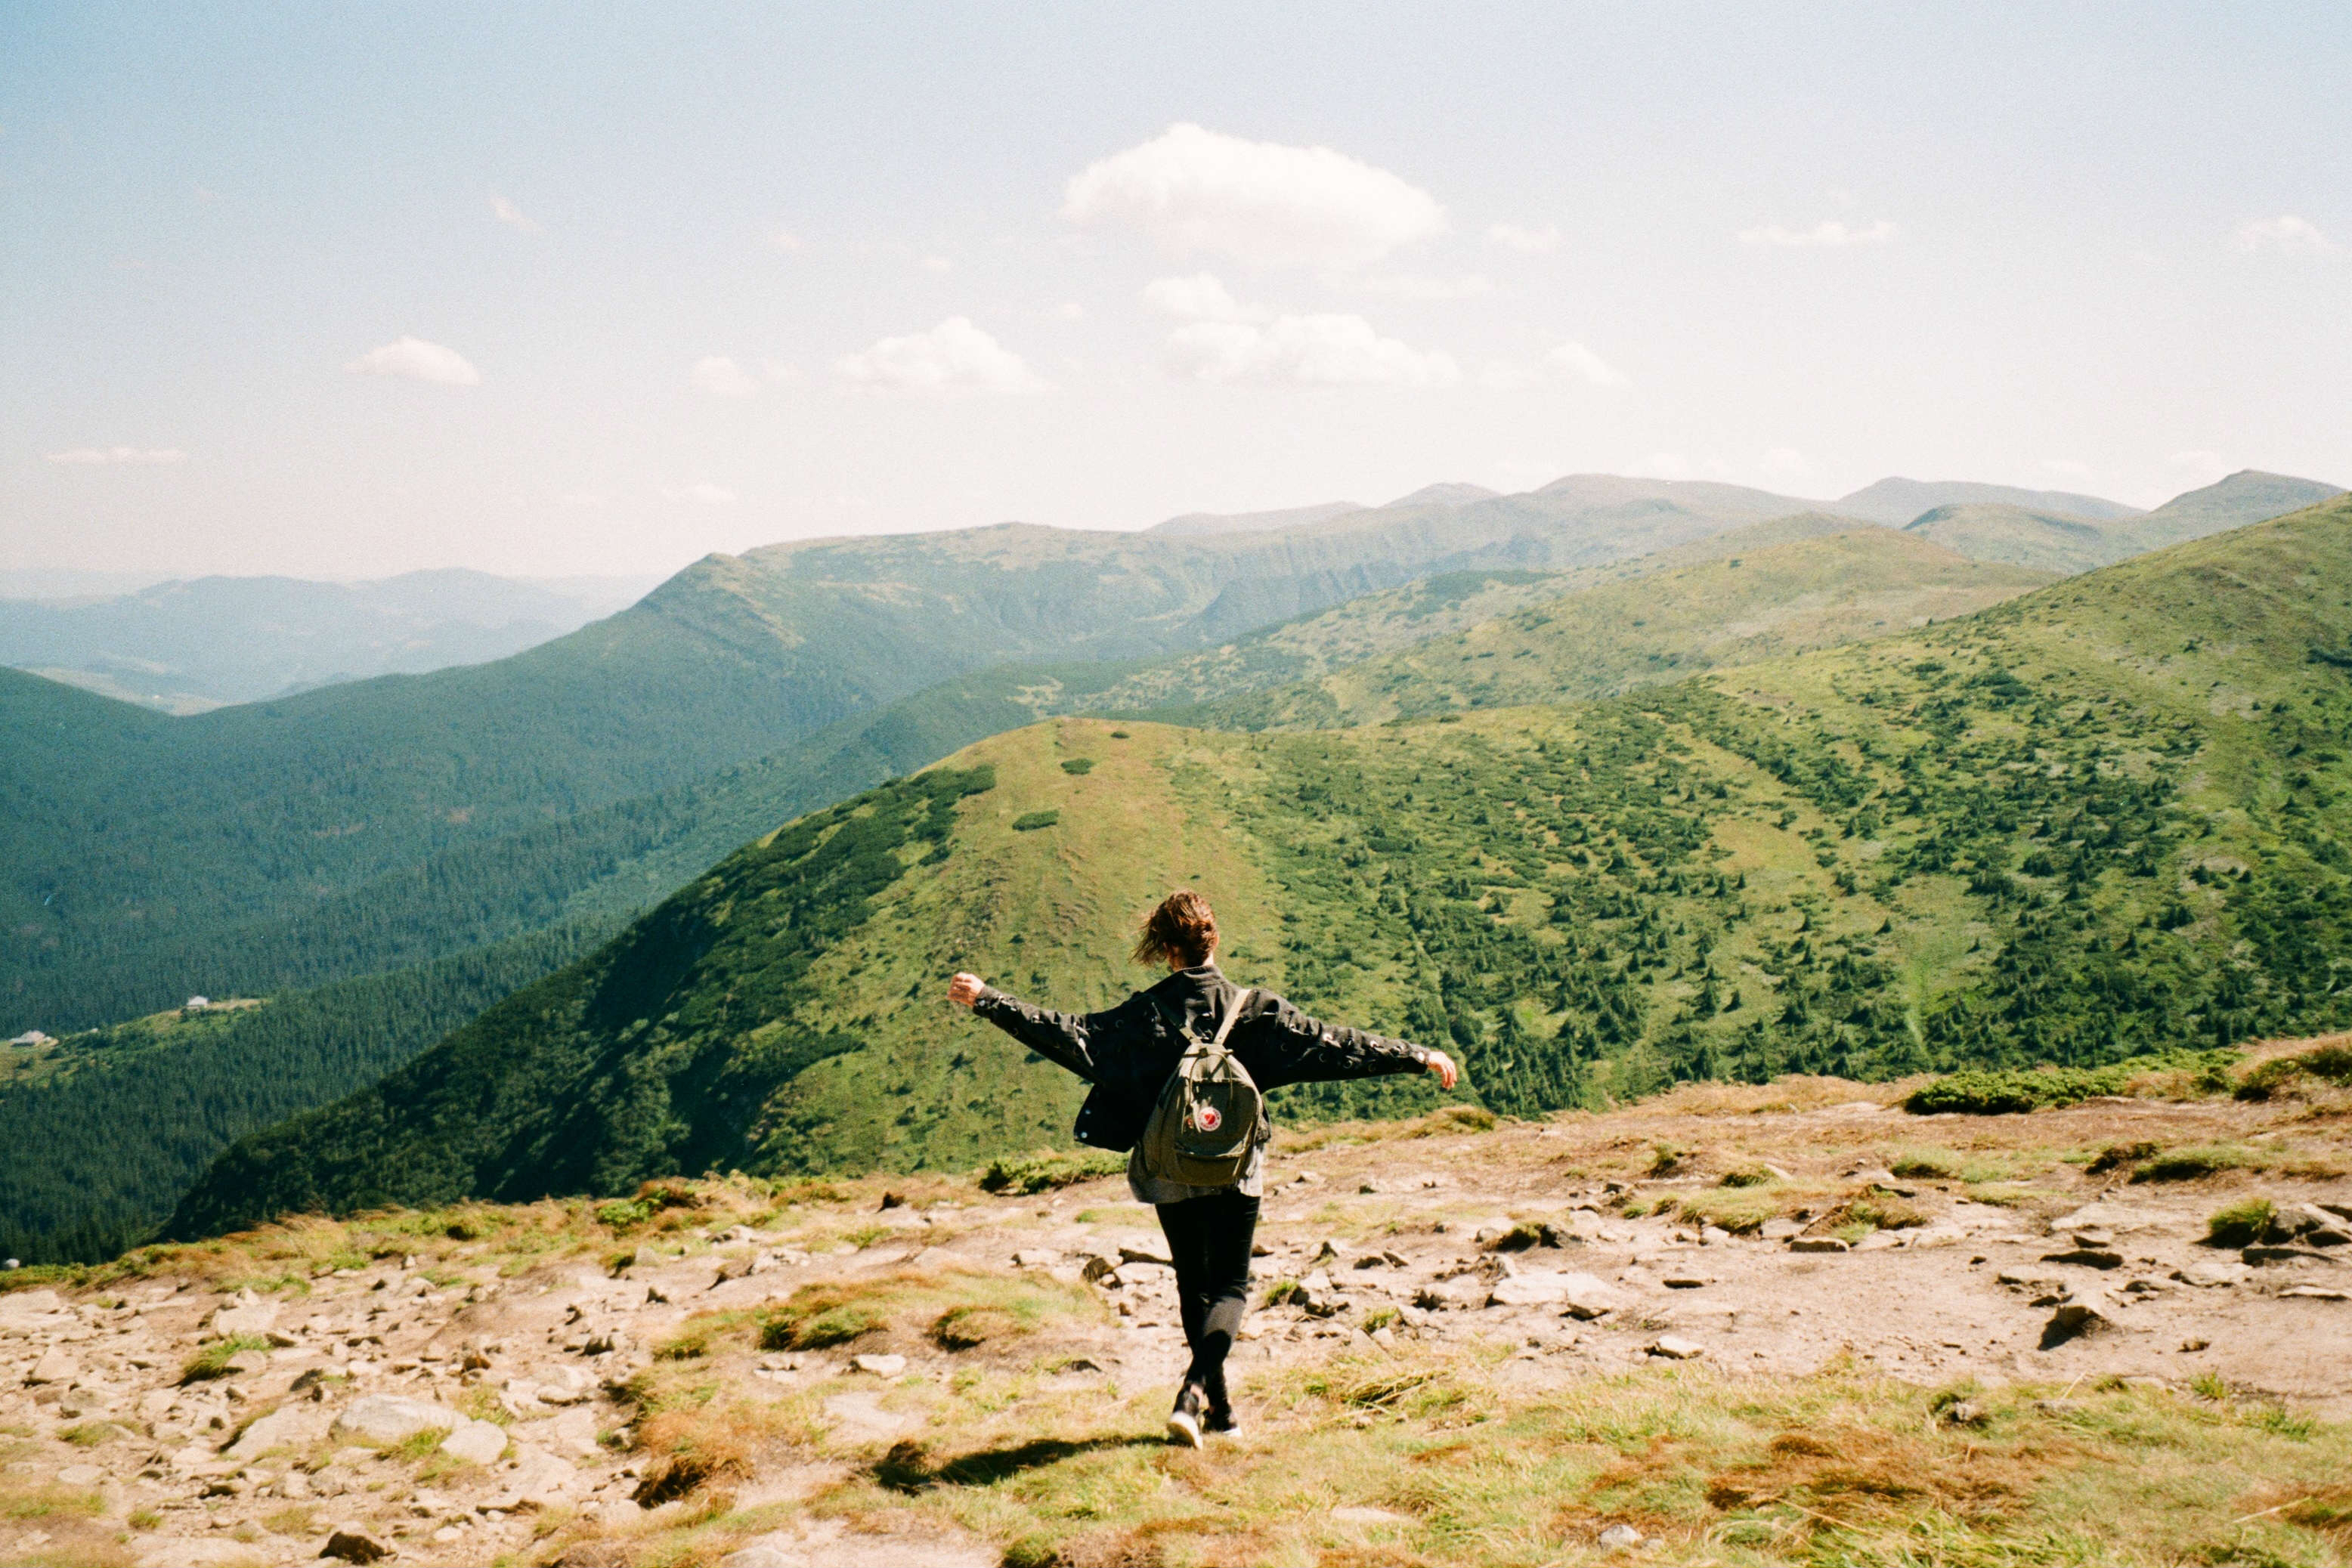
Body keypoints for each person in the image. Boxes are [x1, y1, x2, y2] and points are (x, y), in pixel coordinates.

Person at [948, 889, 1458, 1446]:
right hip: (1237, 1168)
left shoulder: (1144, 1015)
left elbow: (1069, 1033)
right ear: (1214, 939)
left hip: (1170, 1168)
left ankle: (1206, 1404)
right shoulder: (1260, 1010)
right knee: (1231, 1287)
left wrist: (990, 1000)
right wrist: (1415, 1055)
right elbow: (1335, 1045)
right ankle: (1207, 1403)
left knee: (1194, 1285)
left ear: (1166, 949)